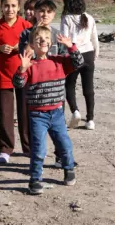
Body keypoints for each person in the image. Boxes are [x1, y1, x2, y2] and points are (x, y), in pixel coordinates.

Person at [13, 27, 83, 195]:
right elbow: (18, 84)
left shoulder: (59, 61)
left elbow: (79, 62)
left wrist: (70, 46)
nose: (42, 40)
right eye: (38, 39)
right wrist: (22, 69)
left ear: (51, 43)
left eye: (46, 38)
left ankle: (69, 168)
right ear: (31, 45)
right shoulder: (29, 65)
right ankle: (35, 179)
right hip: (37, 115)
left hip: (57, 113)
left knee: (64, 144)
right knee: (38, 150)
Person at [0, 0, 33, 163]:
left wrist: (20, 48)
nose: (10, 9)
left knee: (25, 112)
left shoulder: (26, 26)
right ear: (1, 7)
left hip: (23, 74)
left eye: (13, 6)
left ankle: (28, 147)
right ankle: (5, 148)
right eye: (6, 5)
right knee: (5, 114)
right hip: (3, 76)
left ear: (19, 7)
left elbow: (33, 48)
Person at [60, 0, 99, 130]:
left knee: (69, 85)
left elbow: (65, 39)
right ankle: (90, 119)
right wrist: (96, 54)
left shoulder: (66, 18)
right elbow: (94, 38)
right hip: (89, 53)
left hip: (74, 54)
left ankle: (75, 111)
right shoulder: (89, 17)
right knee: (88, 88)